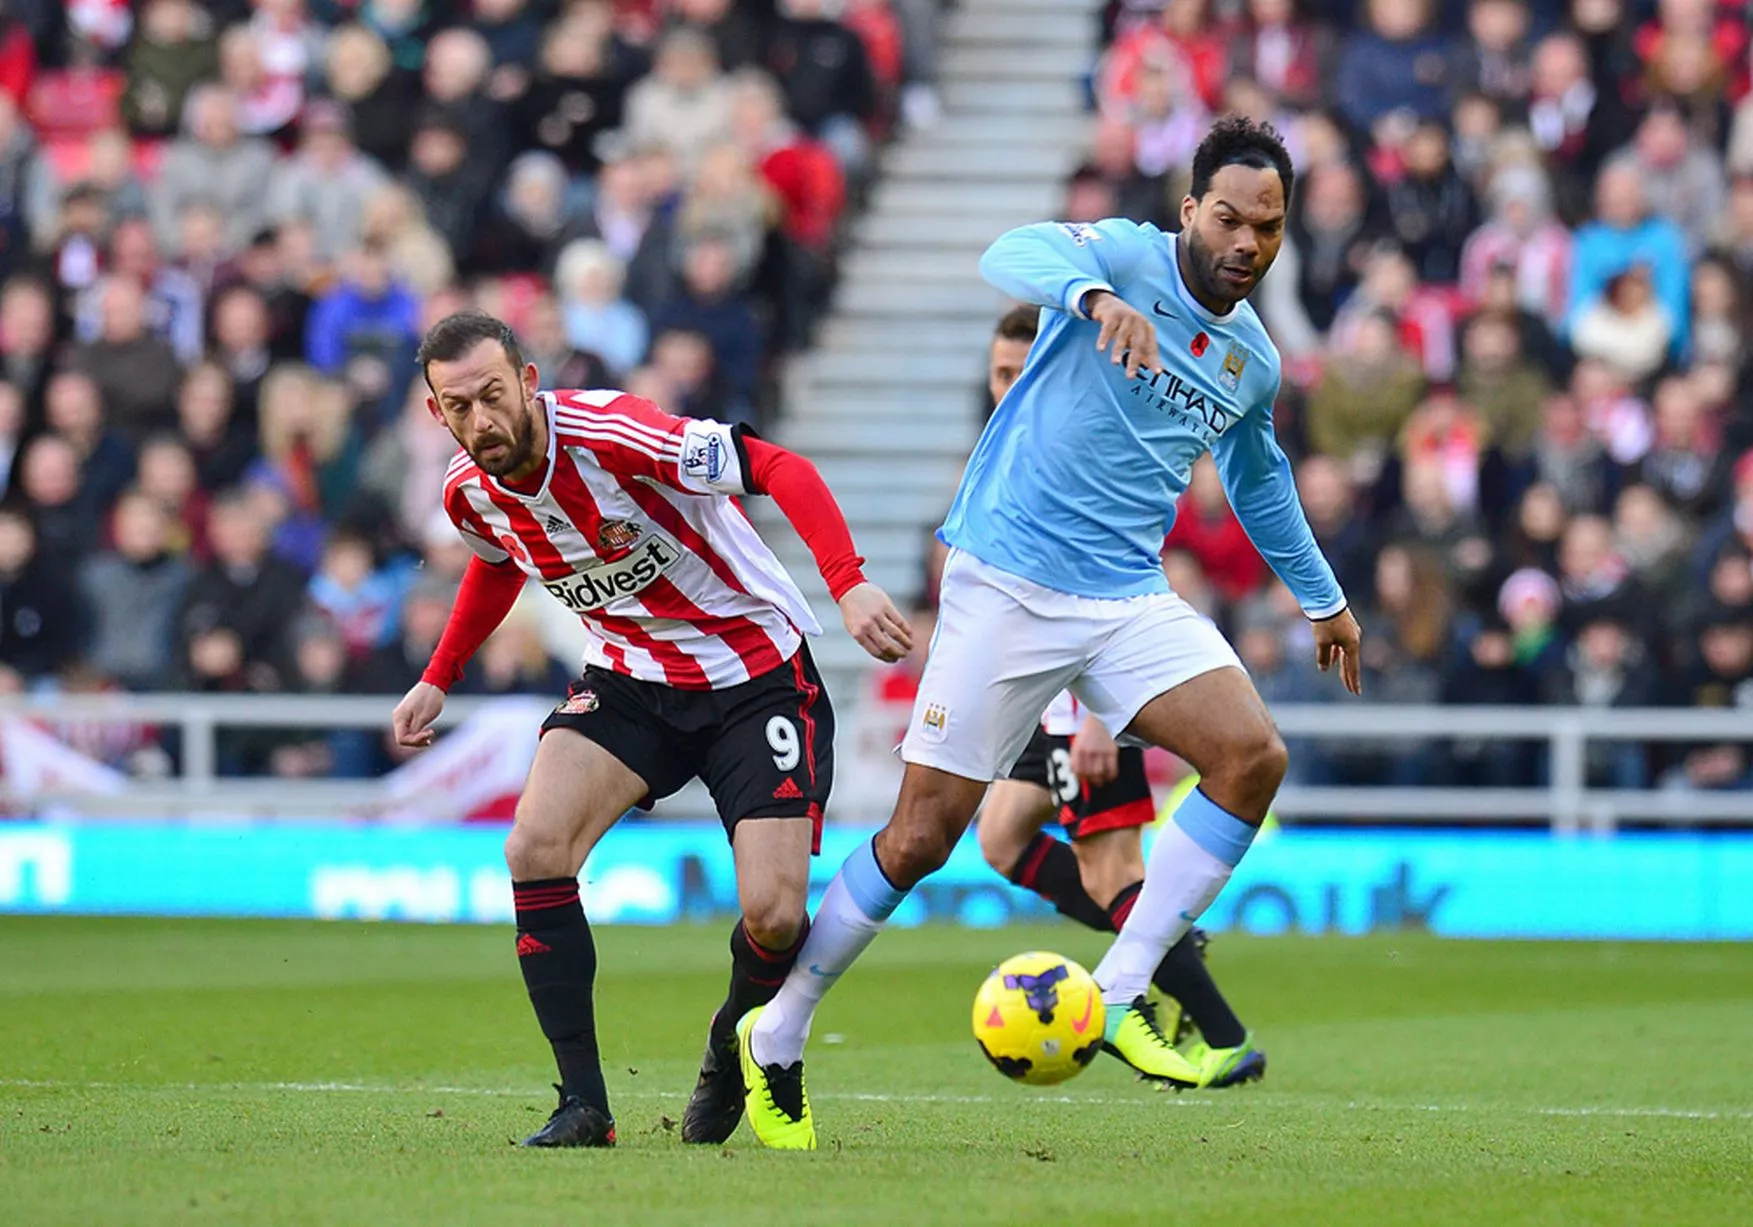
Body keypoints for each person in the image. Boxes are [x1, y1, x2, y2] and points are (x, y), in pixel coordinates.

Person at [739, 117, 1362, 1150]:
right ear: (1189, 211)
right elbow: (1010, 252)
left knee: (1251, 756)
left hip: (1124, 599)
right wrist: (1094, 298)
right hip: (1007, 584)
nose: (1246, 242)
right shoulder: (1121, 255)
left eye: (1268, 226)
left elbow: (1259, 481)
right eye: (1228, 218)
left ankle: (1117, 991)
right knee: (922, 837)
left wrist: (1322, 597)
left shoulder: (1251, 359)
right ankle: (779, 1030)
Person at [388, 311, 911, 1149]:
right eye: (459, 406)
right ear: (435, 412)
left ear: (527, 381)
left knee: (775, 915)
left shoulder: (615, 433)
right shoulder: (467, 490)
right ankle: (583, 1105)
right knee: (534, 846)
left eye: (492, 395)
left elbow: (778, 465)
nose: (480, 419)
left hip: (754, 676)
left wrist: (847, 583)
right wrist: (438, 674)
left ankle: (731, 1041)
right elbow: (495, 562)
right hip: (631, 679)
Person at [972, 307, 1264, 1085]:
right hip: (1046, 695)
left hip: (1090, 695)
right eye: (998, 374)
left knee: (1109, 871)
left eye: (1019, 372)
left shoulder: (1073, 452)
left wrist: (1101, 717)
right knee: (1001, 837)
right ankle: (1167, 945)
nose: (1007, 386)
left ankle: (1219, 1032)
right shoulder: (1011, 445)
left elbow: (1117, 587)